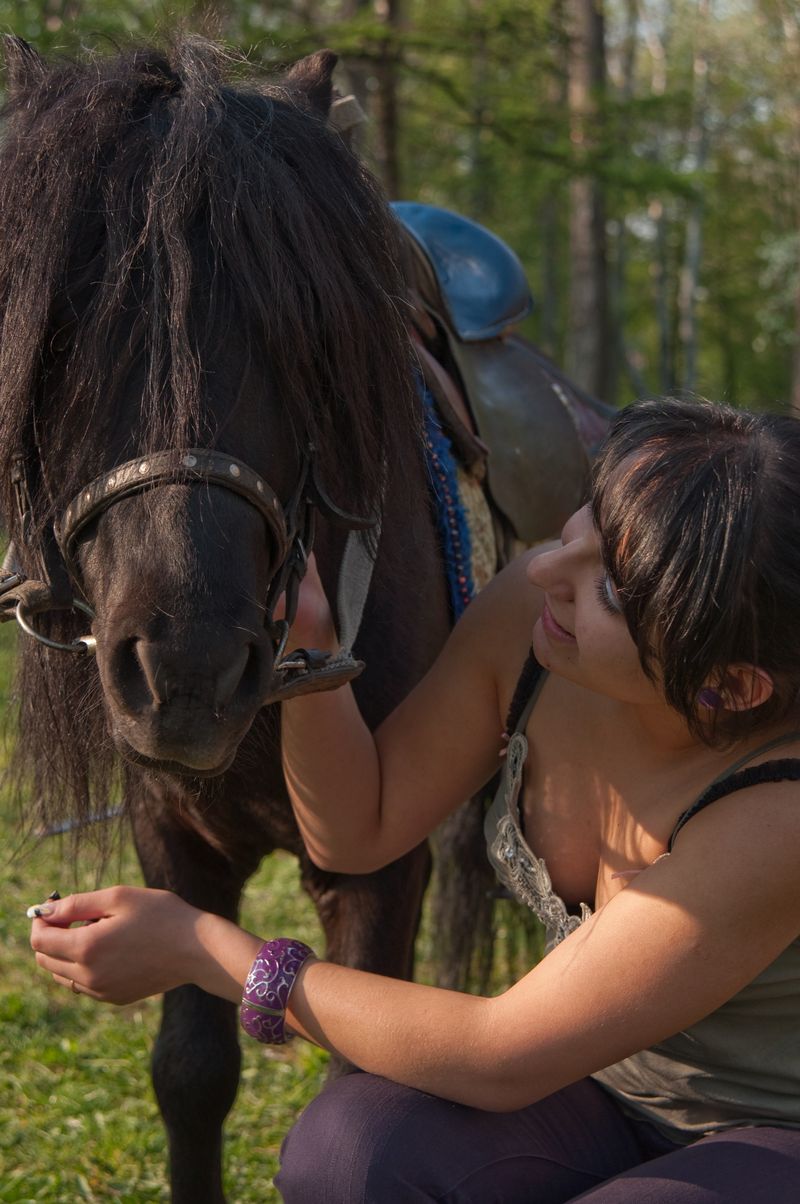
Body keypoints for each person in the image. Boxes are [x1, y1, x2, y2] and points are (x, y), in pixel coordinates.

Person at [29, 397, 800, 1202]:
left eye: (608, 587)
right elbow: (358, 833)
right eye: (585, 525)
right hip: (606, 1091)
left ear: (730, 686)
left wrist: (199, 948)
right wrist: (314, 656)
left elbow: (500, 1054)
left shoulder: (779, 814)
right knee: (351, 1149)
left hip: (771, 1133)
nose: (546, 570)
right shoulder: (536, 625)